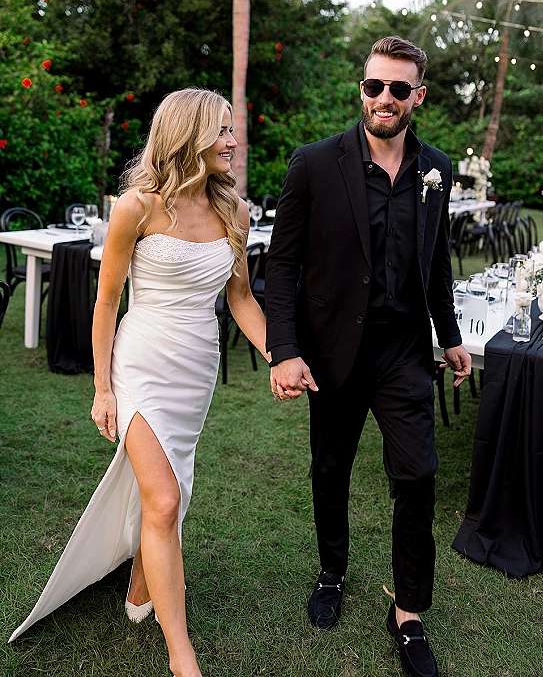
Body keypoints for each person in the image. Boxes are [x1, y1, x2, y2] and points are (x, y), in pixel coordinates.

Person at [10, 88, 268, 677]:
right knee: (166, 497)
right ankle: (182, 655)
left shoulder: (235, 211)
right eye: (222, 130)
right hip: (142, 363)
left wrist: (280, 355)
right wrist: (103, 389)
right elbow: (106, 302)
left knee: (169, 494)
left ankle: (141, 576)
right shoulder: (136, 207)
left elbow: (241, 298)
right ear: (188, 135)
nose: (232, 141)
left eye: (231, 129)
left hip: (196, 368)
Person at [265, 37, 471, 677]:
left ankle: (407, 612)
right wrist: (284, 350)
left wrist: (450, 334)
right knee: (330, 469)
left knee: (418, 476)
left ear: (418, 96)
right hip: (333, 352)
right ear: (362, 89)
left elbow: (436, 262)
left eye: (398, 89)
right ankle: (332, 569)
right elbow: (282, 264)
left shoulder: (435, 169)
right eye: (374, 86)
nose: (385, 98)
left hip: (403, 351)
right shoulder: (314, 164)